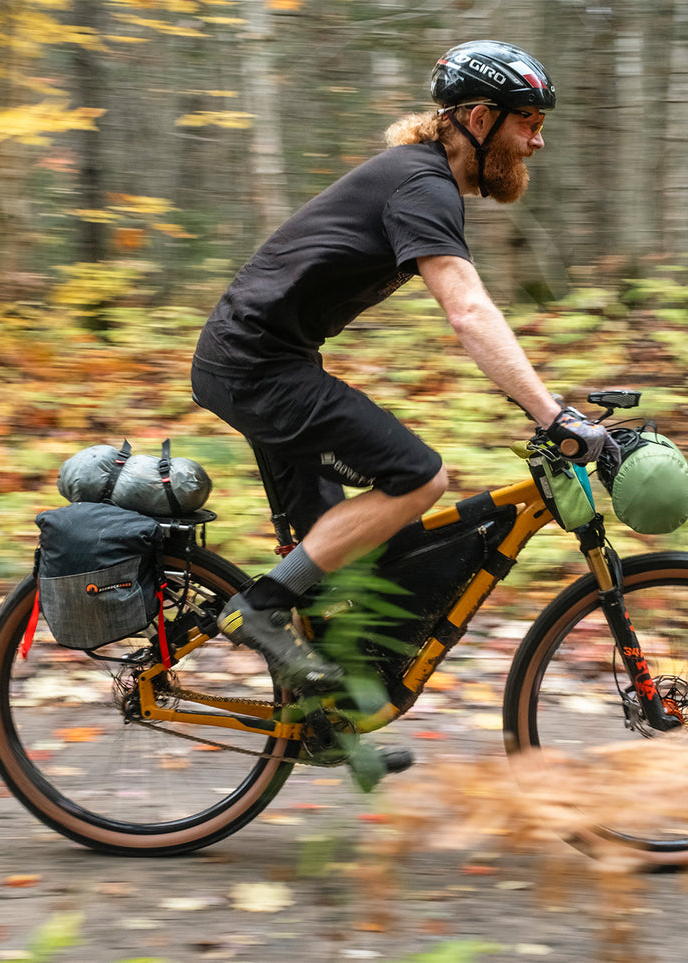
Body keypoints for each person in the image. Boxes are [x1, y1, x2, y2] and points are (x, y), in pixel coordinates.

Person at [189, 40, 611, 782]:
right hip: (255, 366)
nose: (536, 142)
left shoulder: (419, 178)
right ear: (478, 118)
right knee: (417, 478)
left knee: (332, 556)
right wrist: (552, 415)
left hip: (267, 360)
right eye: (528, 122)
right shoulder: (421, 184)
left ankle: (325, 720)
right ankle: (255, 610)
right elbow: (467, 309)